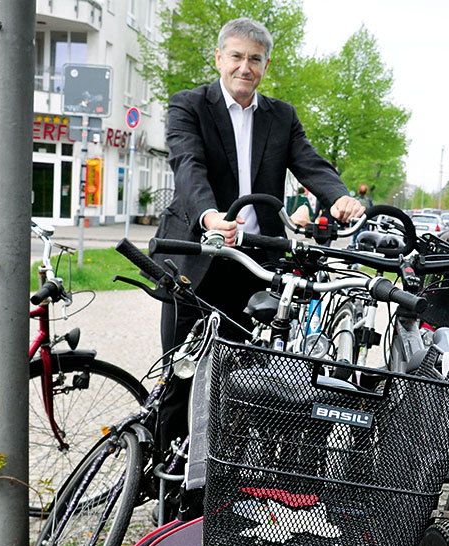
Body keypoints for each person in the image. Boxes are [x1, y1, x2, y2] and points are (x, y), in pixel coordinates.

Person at [153, 16, 363, 445]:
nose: (244, 67)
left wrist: (338, 196)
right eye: (236, 56)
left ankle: (213, 484)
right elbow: (188, 168)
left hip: (251, 264)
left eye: (254, 59)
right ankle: (164, 483)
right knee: (180, 374)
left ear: (265, 66)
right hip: (194, 257)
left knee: (236, 383)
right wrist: (210, 217)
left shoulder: (281, 117)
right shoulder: (189, 105)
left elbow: (311, 164)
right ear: (219, 58)